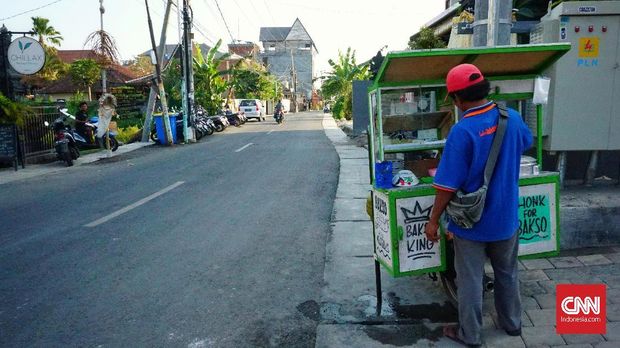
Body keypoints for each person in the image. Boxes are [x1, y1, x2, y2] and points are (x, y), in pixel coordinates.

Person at [424, 64, 533, 347]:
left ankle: (470, 335)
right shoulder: (513, 119)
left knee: (470, 280)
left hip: (471, 224)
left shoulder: (462, 131)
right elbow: (525, 144)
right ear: (484, 89)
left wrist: (434, 220)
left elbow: (446, 186)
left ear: (457, 99)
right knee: (507, 273)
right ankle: (512, 324)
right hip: (506, 218)